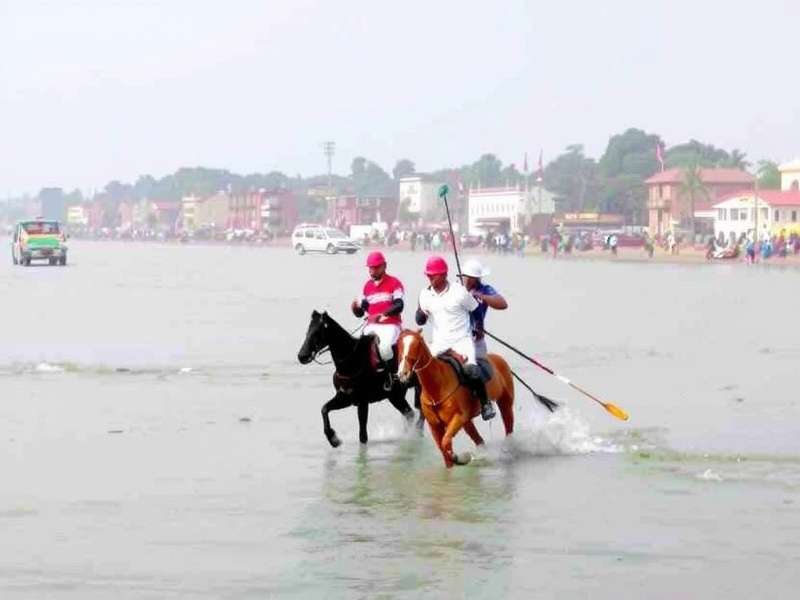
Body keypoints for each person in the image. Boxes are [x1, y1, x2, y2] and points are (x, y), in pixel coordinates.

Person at [415, 256, 495, 421]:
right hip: (438, 343)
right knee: (419, 369)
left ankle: (485, 403)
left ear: (444, 275)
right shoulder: (424, 294)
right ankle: (423, 410)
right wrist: (421, 315)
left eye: (433, 275)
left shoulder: (460, 292)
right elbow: (419, 320)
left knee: (471, 371)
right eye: (428, 275)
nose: (429, 278)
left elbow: (477, 310)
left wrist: (479, 328)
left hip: (461, 342)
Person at [351, 251, 404, 371]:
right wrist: (355, 308)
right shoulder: (366, 286)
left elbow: (399, 305)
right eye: (370, 268)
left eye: (376, 268)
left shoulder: (395, 283)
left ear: (384, 266)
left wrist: (382, 314)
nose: (372, 271)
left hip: (390, 325)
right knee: (356, 346)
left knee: (385, 348)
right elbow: (361, 312)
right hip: (371, 325)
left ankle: (392, 377)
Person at [461, 259, 508, 382]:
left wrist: (481, 296)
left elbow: (502, 304)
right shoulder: (456, 289)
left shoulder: (484, 289)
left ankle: (484, 399)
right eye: (465, 277)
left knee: (478, 373)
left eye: (473, 278)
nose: (467, 280)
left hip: (476, 340)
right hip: (456, 337)